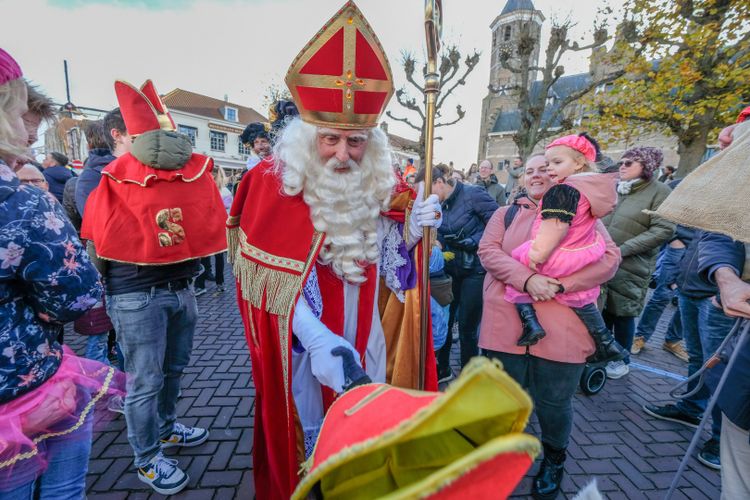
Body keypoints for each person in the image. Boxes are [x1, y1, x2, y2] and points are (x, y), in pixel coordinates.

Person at [226, 4, 442, 496]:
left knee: (364, 430)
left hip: (366, 328)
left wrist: (412, 229)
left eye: (356, 142)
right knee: (312, 431)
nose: (343, 155)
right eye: (330, 139)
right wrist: (316, 337)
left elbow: (390, 262)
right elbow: (264, 280)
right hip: (306, 343)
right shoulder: (268, 183)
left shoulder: (378, 180)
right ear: (308, 137)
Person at [81, 79, 228, 495]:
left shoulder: (183, 173)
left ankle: (166, 429)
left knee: (174, 369)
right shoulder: (103, 176)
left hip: (182, 286)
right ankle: (147, 458)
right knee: (145, 380)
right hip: (135, 294)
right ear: (121, 136)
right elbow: (97, 242)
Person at [0, 47, 123, 498]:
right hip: (24, 388)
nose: (26, 138)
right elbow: (76, 296)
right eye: (19, 118)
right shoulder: (21, 201)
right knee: (62, 489)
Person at [478, 154, 621, 500]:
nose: (536, 175)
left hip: (564, 328)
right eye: (529, 171)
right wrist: (527, 280)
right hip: (506, 324)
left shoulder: (584, 214)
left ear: (560, 174)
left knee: (554, 402)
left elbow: (610, 259)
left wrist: (561, 285)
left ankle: (554, 460)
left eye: (544, 169)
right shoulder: (506, 213)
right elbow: (488, 251)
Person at [504, 133, 627, 365]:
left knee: (517, 276)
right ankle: (605, 340)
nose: (550, 168)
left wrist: (536, 255)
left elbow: (554, 229)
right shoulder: (588, 191)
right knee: (580, 297)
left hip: (557, 254)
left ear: (579, 163)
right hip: (583, 252)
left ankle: (530, 323)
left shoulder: (563, 191)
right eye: (548, 163)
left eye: (556, 162)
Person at [417, 163, 498, 382]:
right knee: (444, 321)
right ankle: (442, 369)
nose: (425, 198)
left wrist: (473, 240)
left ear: (439, 182)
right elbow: (438, 232)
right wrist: (438, 243)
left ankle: (469, 377)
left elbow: (498, 223)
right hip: (450, 271)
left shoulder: (473, 194)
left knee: (467, 327)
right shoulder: (437, 205)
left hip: (475, 270)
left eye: (427, 191)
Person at [600, 146, 675, 379]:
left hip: (631, 264)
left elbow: (664, 230)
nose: (622, 166)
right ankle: (602, 355)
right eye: (621, 162)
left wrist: (622, 250)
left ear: (646, 166)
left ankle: (622, 360)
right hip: (601, 261)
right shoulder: (616, 188)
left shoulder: (660, 191)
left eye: (629, 163)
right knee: (602, 310)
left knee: (622, 313)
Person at [194, 166, 232, 295]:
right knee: (209, 257)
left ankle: (213, 283)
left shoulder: (222, 191)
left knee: (214, 257)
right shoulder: (207, 190)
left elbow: (227, 211)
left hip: (215, 228)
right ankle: (207, 283)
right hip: (209, 228)